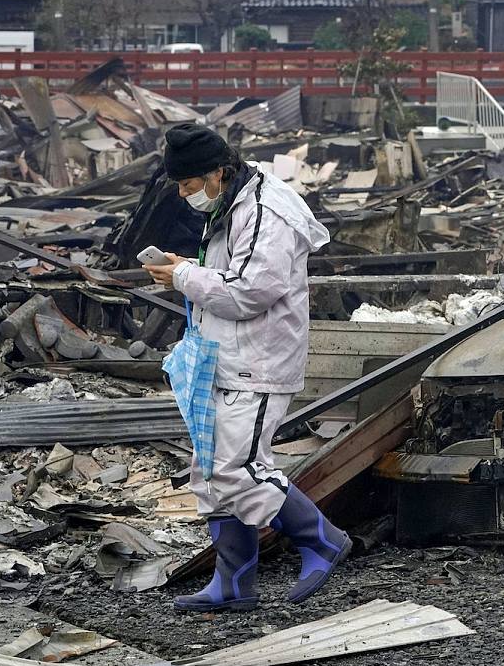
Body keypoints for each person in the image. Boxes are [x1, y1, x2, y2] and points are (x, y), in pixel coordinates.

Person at [144, 123, 350, 612]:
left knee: (237, 469)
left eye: (189, 185)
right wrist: (183, 270)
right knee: (209, 471)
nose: (183, 194)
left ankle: (321, 539)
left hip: (257, 360)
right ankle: (233, 584)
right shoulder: (233, 202)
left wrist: (182, 275)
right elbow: (230, 276)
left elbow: (248, 292)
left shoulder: (265, 209)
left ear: (217, 171)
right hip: (226, 357)